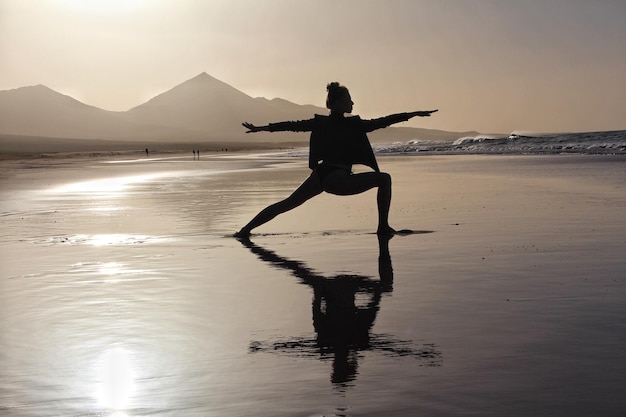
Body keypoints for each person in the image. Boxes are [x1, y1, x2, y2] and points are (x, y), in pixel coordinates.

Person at [234, 82, 437, 237]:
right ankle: (383, 227)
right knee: (384, 179)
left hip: (320, 175)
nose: (352, 102)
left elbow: (290, 125)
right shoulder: (353, 125)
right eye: (349, 99)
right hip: (337, 178)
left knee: (287, 204)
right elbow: (383, 122)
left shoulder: (320, 123)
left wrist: (261, 128)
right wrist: (413, 114)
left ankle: (245, 230)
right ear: (338, 102)